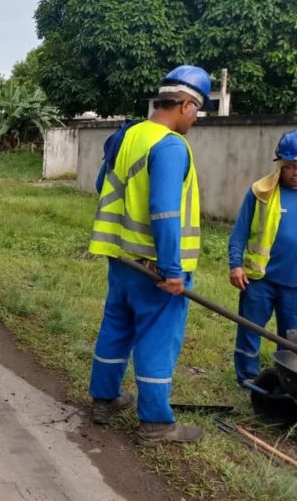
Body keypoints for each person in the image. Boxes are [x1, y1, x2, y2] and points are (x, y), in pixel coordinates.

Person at [88, 65, 211, 447]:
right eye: (198, 110)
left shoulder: (129, 135)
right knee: (158, 341)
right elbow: (164, 210)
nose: (195, 119)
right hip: (155, 270)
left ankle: (104, 400)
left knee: (116, 329)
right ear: (187, 105)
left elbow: (101, 185)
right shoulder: (171, 145)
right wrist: (172, 269)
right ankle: (157, 425)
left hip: (122, 260)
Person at [228, 131, 297, 386]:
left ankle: (287, 384)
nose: (295, 171)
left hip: (295, 286)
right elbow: (239, 233)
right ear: (280, 164)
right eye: (290, 166)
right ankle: (247, 380)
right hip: (260, 281)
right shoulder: (260, 193)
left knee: (291, 340)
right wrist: (235, 265)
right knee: (249, 330)